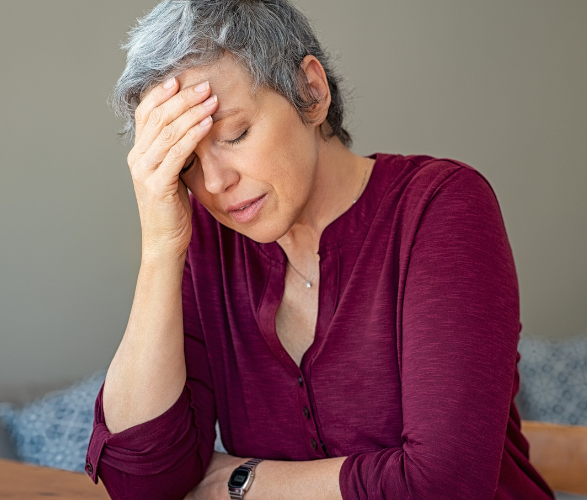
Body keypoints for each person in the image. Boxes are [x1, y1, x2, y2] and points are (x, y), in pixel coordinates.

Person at [85, 1, 555, 499]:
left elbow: (443, 485)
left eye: (235, 134)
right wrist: (161, 248)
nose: (216, 183)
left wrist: (239, 482)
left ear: (310, 91)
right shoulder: (205, 243)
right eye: (186, 165)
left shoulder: (440, 206)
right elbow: (139, 485)